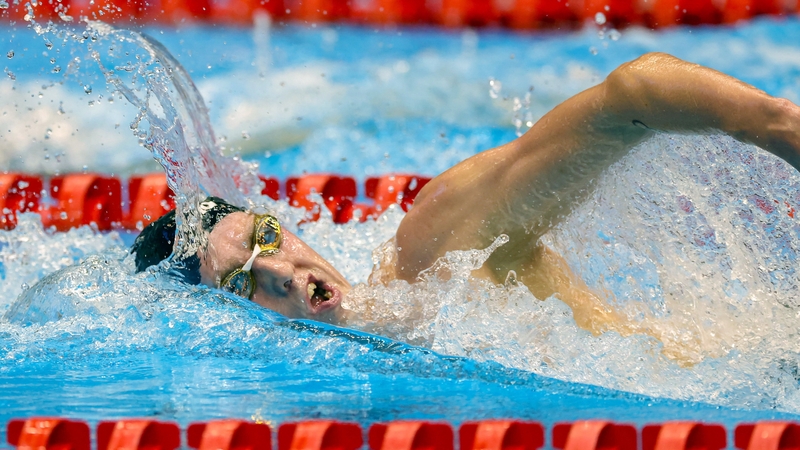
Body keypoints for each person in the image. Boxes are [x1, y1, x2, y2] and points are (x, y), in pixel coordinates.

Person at [131, 52, 800, 336]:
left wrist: (778, 126)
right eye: (244, 285)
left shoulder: (434, 256)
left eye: (265, 241)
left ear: (285, 224)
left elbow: (635, 92)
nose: (280, 273)